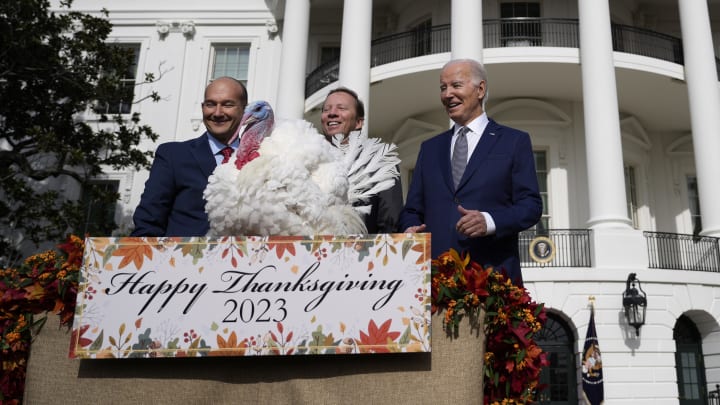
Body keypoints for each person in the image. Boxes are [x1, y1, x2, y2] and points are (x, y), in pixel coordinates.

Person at [399, 59, 542, 285]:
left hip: (492, 279)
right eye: (443, 88)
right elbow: (412, 210)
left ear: (480, 89)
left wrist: (489, 220)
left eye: (456, 85)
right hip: (435, 282)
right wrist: (410, 227)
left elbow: (531, 206)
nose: (447, 94)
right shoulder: (430, 148)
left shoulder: (514, 141)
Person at [131, 77, 248, 236]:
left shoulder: (261, 159)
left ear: (244, 109)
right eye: (211, 104)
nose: (218, 113)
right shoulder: (173, 156)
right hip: (185, 258)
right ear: (202, 107)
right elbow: (148, 222)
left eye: (228, 104)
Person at [320, 87, 403, 234]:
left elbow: (390, 221)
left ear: (358, 122)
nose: (332, 113)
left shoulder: (379, 161)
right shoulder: (308, 160)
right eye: (326, 109)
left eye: (341, 108)